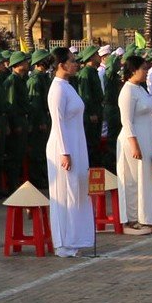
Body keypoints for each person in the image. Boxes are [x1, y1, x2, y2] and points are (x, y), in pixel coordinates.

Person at [44, 50, 95, 256]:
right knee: (65, 193)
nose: (76, 65)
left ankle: (76, 238)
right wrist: (65, 152)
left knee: (78, 190)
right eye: (72, 62)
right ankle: (64, 243)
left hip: (76, 143)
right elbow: (58, 123)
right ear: (61, 65)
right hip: (62, 147)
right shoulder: (56, 89)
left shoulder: (68, 87)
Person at [115, 56, 152, 235]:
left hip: (147, 137)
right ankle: (131, 221)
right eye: (143, 68)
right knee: (132, 180)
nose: (146, 70)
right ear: (133, 70)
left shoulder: (141, 89)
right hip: (133, 140)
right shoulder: (127, 91)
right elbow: (126, 120)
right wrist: (134, 144)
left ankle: (146, 217)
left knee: (147, 178)